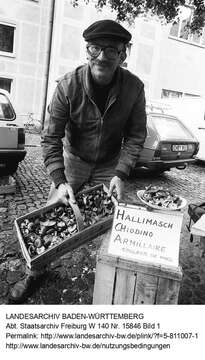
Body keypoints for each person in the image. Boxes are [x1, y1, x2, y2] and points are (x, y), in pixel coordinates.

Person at [9, 19, 147, 303]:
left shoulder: (134, 88)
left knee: (110, 219)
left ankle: (107, 277)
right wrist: (59, 181)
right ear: (87, 50)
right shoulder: (67, 86)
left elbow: (135, 137)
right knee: (51, 212)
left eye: (111, 50)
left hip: (110, 164)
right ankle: (34, 273)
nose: (101, 57)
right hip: (74, 160)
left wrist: (121, 173)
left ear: (124, 54)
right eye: (95, 48)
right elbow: (50, 138)